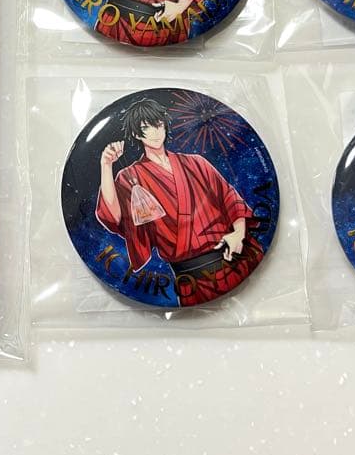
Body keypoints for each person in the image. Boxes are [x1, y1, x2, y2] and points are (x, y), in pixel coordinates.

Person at [95, 98, 261, 305]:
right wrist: (106, 166)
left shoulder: (196, 162)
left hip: (235, 255)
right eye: (146, 128)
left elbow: (229, 198)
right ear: (136, 134)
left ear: (165, 125)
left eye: (158, 124)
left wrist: (239, 233)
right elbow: (113, 217)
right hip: (192, 279)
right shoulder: (130, 177)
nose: (155, 132)